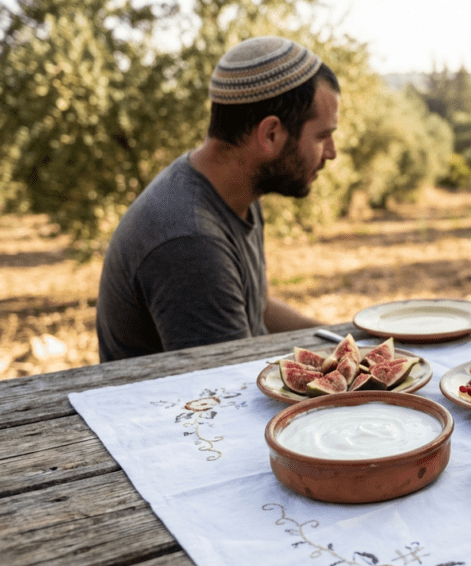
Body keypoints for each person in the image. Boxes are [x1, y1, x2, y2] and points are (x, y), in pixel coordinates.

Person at [97, 36, 338, 362]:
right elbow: (226, 390)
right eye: (322, 136)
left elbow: (259, 306)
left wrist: (343, 342)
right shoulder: (190, 240)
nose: (332, 153)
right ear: (270, 134)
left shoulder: (237, 192)